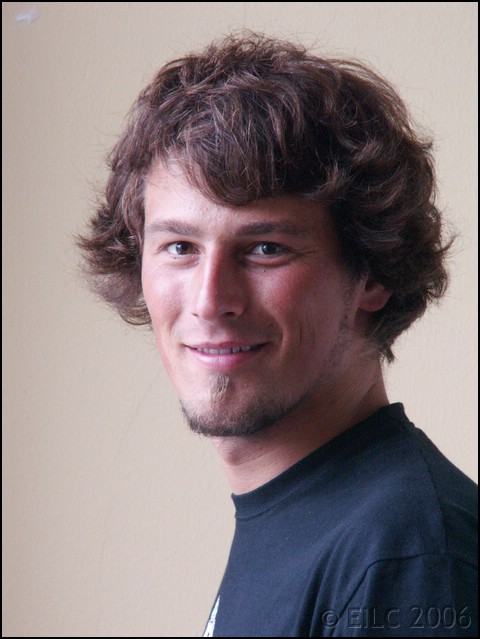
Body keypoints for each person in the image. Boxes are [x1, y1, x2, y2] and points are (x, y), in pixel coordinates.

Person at [77, 32, 477, 637]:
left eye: (265, 248)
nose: (210, 300)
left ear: (372, 274)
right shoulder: (311, 521)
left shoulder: (405, 556)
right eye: (179, 247)